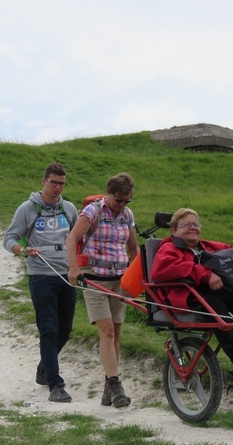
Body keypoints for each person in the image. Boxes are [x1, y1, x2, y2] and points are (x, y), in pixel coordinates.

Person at [150, 208, 233, 382]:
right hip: (189, 296)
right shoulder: (169, 248)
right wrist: (206, 274)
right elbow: (161, 270)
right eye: (186, 225)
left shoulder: (208, 246)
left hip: (217, 294)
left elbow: (231, 253)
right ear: (174, 230)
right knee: (216, 307)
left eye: (195, 224)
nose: (193, 228)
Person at [3, 162, 78, 403]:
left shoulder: (69, 209)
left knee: (65, 330)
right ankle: (55, 384)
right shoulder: (27, 208)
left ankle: (43, 369)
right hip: (40, 274)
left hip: (67, 275)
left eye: (61, 184)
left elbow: (77, 238)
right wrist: (23, 250)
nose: (57, 187)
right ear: (43, 181)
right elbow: (9, 238)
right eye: (53, 182)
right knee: (49, 329)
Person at [66, 172, 139, 409]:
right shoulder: (93, 212)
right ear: (110, 193)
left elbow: (134, 249)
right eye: (119, 199)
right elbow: (72, 238)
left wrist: (140, 277)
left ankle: (108, 389)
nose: (122, 204)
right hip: (95, 279)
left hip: (119, 280)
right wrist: (74, 267)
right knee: (106, 330)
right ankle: (116, 384)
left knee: (116, 332)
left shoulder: (127, 215)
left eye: (127, 200)